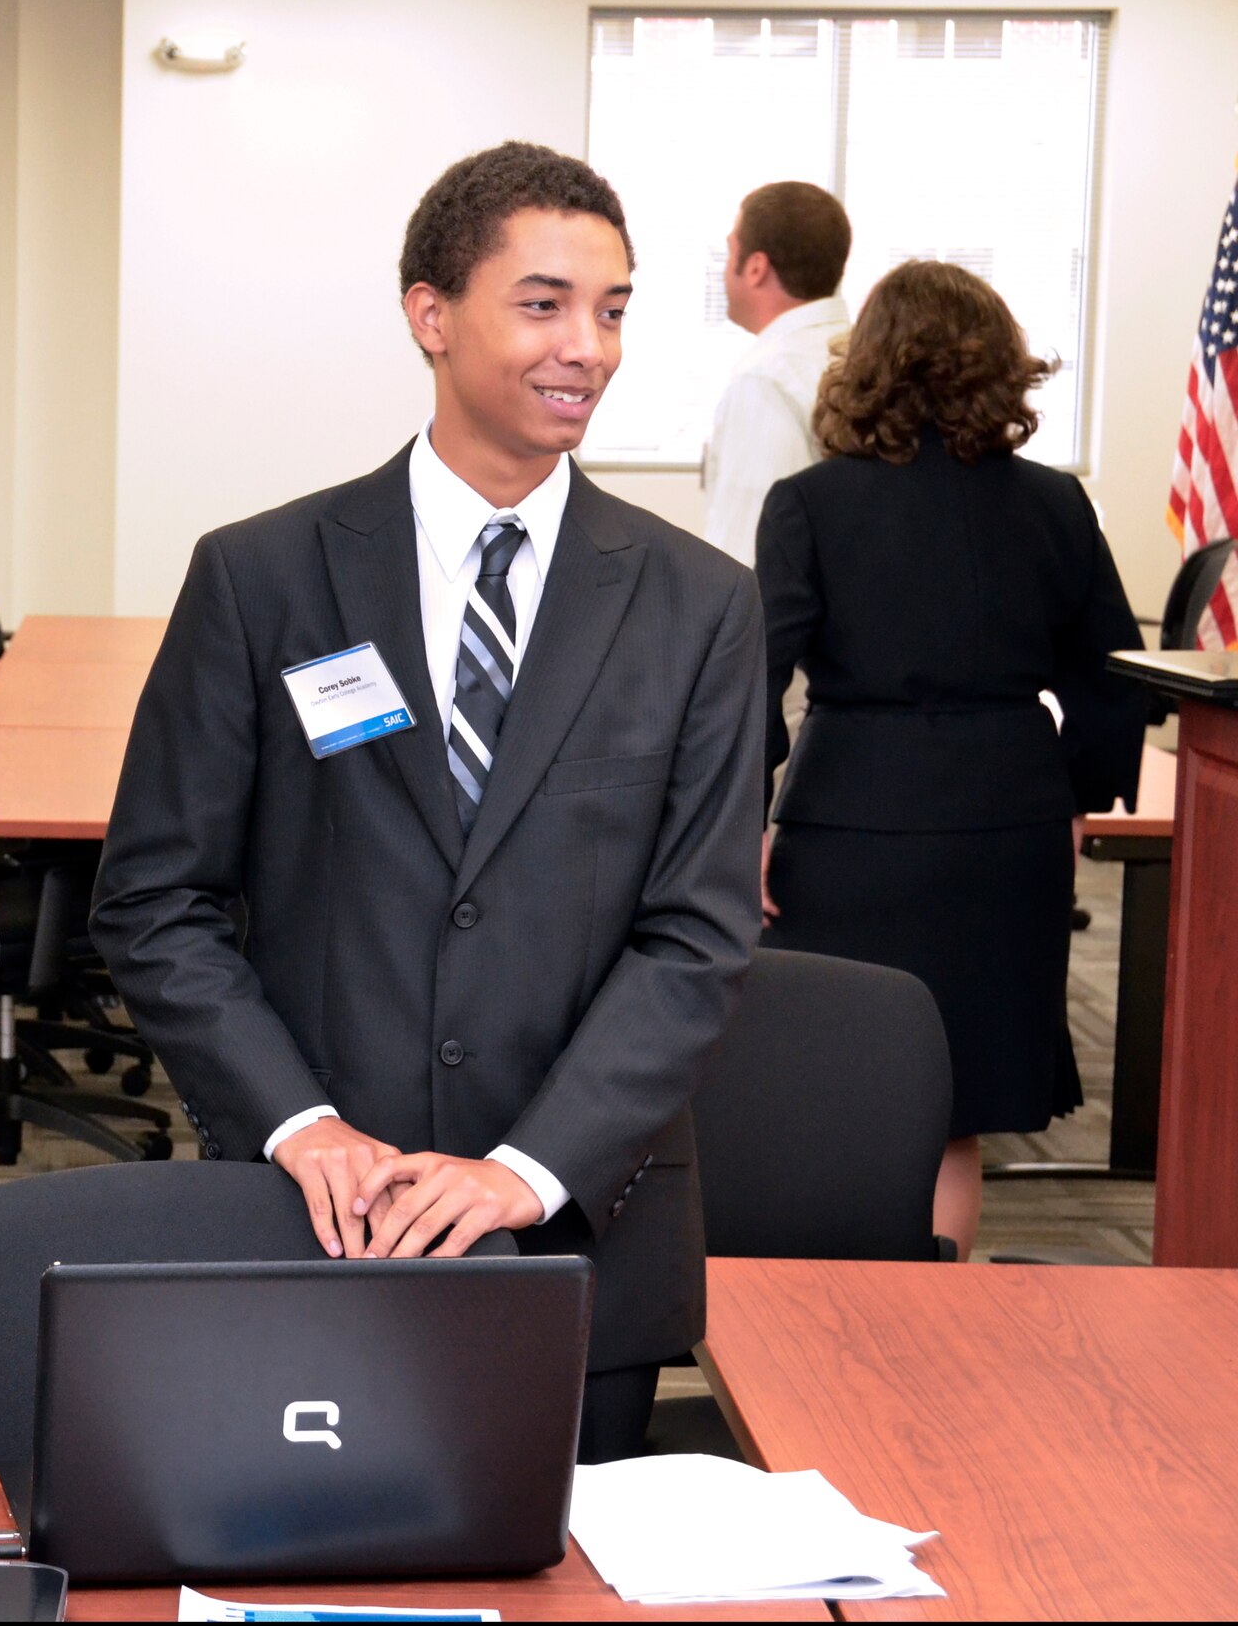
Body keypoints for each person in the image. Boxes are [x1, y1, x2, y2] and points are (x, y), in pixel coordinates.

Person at [90, 142, 764, 1463]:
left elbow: (697, 938)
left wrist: (526, 1169)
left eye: (614, 309)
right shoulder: (263, 578)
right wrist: (303, 1122)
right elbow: (157, 901)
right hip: (311, 1222)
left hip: (584, 1233)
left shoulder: (699, 606)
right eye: (544, 302)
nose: (588, 345)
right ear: (430, 312)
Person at [756, 260, 1144, 1259]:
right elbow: (1110, 681)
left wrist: (735, 829)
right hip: (1007, 825)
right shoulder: (1056, 504)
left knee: (838, 1078)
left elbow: (746, 686)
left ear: (866, 365)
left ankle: (816, 1333)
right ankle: (937, 1322)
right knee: (952, 1099)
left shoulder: (808, 503)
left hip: (849, 824)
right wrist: (1076, 799)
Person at [702, 183, 851, 569]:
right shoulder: (865, 356)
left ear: (755, 267)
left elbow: (748, 558)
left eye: (730, 250)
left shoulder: (767, 382)